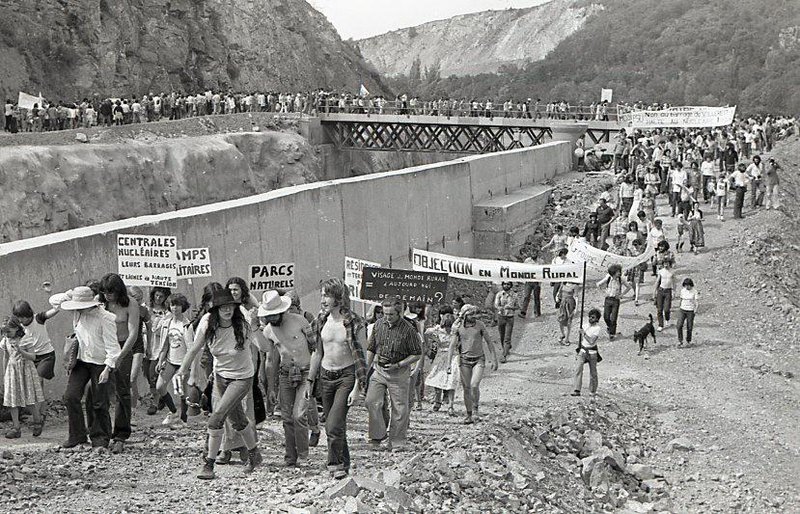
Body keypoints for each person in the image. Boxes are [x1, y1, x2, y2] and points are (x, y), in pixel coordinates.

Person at [174, 289, 263, 479]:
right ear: (216, 310)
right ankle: (255, 455)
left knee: (216, 418)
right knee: (238, 420)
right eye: (223, 307)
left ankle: (209, 465)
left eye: (230, 306)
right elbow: (194, 349)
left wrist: (257, 326)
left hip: (241, 378)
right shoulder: (208, 324)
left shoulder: (244, 325)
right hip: (220, 377)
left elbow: (263, 346)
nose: (227, 310)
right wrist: (182, 371)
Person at [308, 278, 367, 479]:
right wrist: (310, 380)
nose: (323, 299)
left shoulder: (355, 322)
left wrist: (358, 387)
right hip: (326, 376)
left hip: (346, 376)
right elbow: (317, 352)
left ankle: (335, 465)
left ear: (338, 298)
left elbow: (361, 356)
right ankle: (345, 464)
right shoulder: (320, 321)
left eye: (327, 295)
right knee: (336, 424)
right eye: (322, 294)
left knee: (333, 424)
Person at [259, 290, 314, 467]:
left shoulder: (300, 321)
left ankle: (304, 455)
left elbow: (315, 347)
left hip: (305, 372)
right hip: (285, 374)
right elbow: (271, 360)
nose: (273, 318)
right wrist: (271, 387)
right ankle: (291, 456)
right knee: (287, 417)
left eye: (275, 315)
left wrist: (315, 375)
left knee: (299, 415)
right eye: (270, 316)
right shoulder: (268, 331)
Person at [60, 286, 120, 448]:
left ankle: (100, 437)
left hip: (100, 363)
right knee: (70, 396)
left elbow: (113, 347)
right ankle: (77, 435)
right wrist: (71, 294)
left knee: (99, 402)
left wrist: (108, 369)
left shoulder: (105, 318)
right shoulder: (78, 313)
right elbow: (55, 300)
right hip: (82, 361)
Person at [365, 297, 422, 451]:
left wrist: (399, 364)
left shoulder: (408, 329)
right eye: (385, 314)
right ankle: (377, 436)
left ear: (399, 313)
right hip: (380, 370)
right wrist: (365, 368)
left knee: (400, 408)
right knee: (372, 401)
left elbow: (417, 354)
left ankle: (397, 441)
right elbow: (371, 347)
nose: (387, 318)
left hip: (398, 372)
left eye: (391, 315)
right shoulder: (378, 325)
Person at [99, 273, 140, 454]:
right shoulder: (100, 303)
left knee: (122, 391)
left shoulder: (130, 303)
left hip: (123, 346)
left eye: (111, 292)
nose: (108, 295)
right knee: (99, 390)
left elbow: (133, 333)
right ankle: (100, 432)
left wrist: (121, 356)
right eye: (105, 292)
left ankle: (121, 434)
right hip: (104, 347)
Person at [11, 300, 59, 429]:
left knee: (37, 382)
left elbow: (52, 312)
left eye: (23, 317)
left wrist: (58, 304)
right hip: (32, 358)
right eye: (18, 318)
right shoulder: (19, 326)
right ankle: (41, 414)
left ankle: (38, 416)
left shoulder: (38, 318)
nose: (21, 320)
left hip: (46, 356)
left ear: (29, 314)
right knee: (37, 387)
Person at [447, 306, 498, 424]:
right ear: (465, 315)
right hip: (464, 360)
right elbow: (452, 346)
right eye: (471, 315)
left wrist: (494, 359)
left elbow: (489, 342)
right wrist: (448, 364)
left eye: (475, 314)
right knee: (466, 388)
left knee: (474, 385)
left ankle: (475, 409)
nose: (474, 317)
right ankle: (469, 414)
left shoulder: (480, 325)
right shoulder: (458, 327)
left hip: (478, 359)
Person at [1, 317, 46, 438]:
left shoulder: (26, 339)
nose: (7, 334)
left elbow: (33, 357)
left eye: (9, 331)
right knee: (12, 401)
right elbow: (5, 356)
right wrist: (5, 373)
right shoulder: (6, 340)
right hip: (12, 371)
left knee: (28, 398)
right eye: (5, 332)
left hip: (25, 371)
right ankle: (16, 428)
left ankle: (37, 421)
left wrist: (21, 350)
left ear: (16, 328)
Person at [154, 293, 194, 426]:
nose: (174, 308)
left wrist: (188, 367)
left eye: (177, 305)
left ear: (183, 306)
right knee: (160, 386)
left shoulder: (187, 325)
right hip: (171, 360)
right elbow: (165, 344)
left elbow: (190, 348)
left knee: (182, 391)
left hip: (183, 363)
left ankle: (183, 419)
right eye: (172, 305)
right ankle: (173, 412)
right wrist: (160, 360)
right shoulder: (167, 323)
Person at [424, 306, 459, 416]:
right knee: (437, 377)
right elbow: (426, 332)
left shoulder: (456, 330)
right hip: (441, 355)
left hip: (453, 356)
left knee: (452, 378)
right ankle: (438, 399)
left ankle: (451, 405)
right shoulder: (438, 330)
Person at [146, 287, 171, 415]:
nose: (158, 298)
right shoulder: (147, 309)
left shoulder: (167, 313)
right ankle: (162, 397)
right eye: (156, 295)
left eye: (161, 296)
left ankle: (154, 403)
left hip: (158, 348)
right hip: (146, 346)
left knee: (153, 375)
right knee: (147, 374)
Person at [571, 308, 602, 397]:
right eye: (590, 317)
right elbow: (581, 340)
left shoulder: (597, 328)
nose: (590, 319)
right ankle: (577, 389)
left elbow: (592, 341)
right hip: (583, 350)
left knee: (593, 372)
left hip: (592, 352)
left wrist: (583, 334)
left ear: (597, 319)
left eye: (592, 317)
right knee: (578, 369)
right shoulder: (584, 326)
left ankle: (592, 391)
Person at [596, 264, 629, 339]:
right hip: (607, 299)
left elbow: (629, 287)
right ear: (613, 272)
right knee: (606, 317)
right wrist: (604, 291)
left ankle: (612, 333)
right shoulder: (608, 277)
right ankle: (609, 327)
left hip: (616, 301)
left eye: (619, 271)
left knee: (614, 318)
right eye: (618, 272)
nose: (619, 273)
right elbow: (598, 284)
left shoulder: (621, 279)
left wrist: (622, 295)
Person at [494, 281, 519, 362]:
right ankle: (506, 348)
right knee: (502, 335)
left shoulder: (514, 295)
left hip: (510, 317)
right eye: (504, 284)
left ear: (510, 285)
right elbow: (496, 305)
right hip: (501, 316)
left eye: (508, 284)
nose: (506, 285)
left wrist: (511, 308)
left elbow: (518, 306)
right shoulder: (499, 294)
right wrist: (499, 308)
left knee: (507, 337)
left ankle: (504, 355)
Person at [653, 258, 675, 332]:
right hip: (660, 290)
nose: (666, 264)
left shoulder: (672, 271)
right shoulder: (661, 271)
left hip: (668, 291)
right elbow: (657, 282)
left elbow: (674, 282)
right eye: (664, 263)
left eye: (667, 263)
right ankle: (660, 325)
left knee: (666, 309)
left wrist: (674, 291)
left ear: (669, 263)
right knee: (659, 309)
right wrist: (654, 292)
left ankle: (667, 319)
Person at [676, 278, 698, 347]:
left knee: (689, 327)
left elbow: (696, 302)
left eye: (688, 285)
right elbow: (681, 299)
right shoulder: (683, 291)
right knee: (679, 325)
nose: (686, 287)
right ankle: (680, 340)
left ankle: (688, 340)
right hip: (682, 309)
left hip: (690, 310)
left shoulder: (694, 291)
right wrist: (679, 307)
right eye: (685, 285)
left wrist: (695, 310)